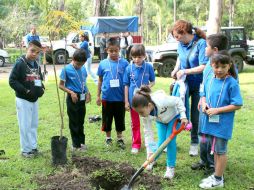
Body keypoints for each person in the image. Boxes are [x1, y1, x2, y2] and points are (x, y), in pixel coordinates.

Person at [199, 51, 242, 189]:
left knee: (220, 151)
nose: (220, 70)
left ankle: (218, 179)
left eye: (223, 67)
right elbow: (203, 93)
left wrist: (217, 110)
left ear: (229, 66)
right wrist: (204, 102)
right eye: (217, 66)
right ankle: (218, 174)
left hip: (222, 124)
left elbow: (237, 104)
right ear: (211, 66)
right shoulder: (210, 79)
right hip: (210, 121)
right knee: (215, 150)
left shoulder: (232, 83)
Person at [191, 33, 229, 174]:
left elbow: (228, 88)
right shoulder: (209, 63)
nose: (204, 48)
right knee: (203, 134)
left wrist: (217, 107)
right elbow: (205, 84)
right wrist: (202, 98)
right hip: (204, 106)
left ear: (215, 49)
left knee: (214, 136)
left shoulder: (225, 67)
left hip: (217, 110)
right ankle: (203, 160)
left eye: (207, 46)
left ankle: (213, 164)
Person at [132, 86, 188, 179]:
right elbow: (148, 133)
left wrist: (183, 116)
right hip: (161, 121)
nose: (140, 115)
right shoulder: (144, 116)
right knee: (161, 143)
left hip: (174, 118)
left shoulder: (161, 100)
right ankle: (152, 159)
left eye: (141, 112)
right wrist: (149, 153)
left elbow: (178, 100)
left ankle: (170, 167)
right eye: (138, 112)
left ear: (149, 106)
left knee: (170, 142)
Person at [171, 20, 209, 156]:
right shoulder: (180, 44)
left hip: (199, 85)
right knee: (177, 111)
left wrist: (186, 71)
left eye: (177, 36)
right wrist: (176, 70)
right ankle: (170, 141)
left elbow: (204, 66)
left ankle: (194, 143)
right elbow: (180, 58)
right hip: (184, 85)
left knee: (195, 115)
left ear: (185, 32)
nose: (176, 39)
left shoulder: (201, 44)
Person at [9, 40, 45, 158]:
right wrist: (26, 91)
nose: (34, 54)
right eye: (32, 51)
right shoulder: (20, 63)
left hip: (34, 99)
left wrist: (42, 88)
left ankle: (33, 147)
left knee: (33, 124)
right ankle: (25, 150)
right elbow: (12, 81)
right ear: (27, 49)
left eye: (37, 52)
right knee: (25, 125)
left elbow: (39, 79)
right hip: (23, 100)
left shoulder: (36, 64)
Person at [123, 44, 156, 158]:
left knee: (147, 122)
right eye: (134, 57)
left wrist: (147, 86)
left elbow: (153, 81)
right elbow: (126, 85)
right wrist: (126, 101)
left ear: (144, 56)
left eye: (139, 57)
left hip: (145, 101)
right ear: (131, 57)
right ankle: (136, 144)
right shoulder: (128, 68)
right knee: (135, 123)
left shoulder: (149, 67)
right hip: (133, 101)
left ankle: (150, 144)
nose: (137, 59)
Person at [96, 38, 128, 149]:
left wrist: (127, 98)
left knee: (120, 118)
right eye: (111, 51)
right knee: (107, 118)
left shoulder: (125, 63)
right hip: (107, 97)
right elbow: (100, 80)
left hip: (120, 97)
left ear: (119, 49)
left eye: (116, 50)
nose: (114, 53)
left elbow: (127, 81)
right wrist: (98, 96)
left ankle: (120, 138)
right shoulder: (103, 64)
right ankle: (108, 138)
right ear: (106, 50)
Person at [59, 49, 91, 151]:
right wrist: (71, 92)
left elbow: (83, 82)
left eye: (82, 64)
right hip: (73, 97)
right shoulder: (66, 69)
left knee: (80, 121)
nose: (79, 66)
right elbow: (60, 85)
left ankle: (81, 143)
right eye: (78, 64)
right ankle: (75, 144)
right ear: (73, 59)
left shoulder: (83, 69)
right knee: (74, 121)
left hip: (82, 96)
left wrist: (88, 92)